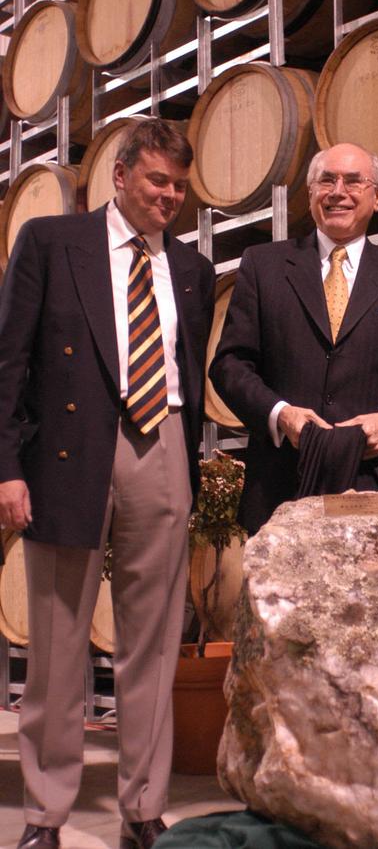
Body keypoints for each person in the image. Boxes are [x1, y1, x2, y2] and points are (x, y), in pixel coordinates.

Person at [0, 119, 216, 849]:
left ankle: (145, 805)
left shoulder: (190, 267)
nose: (170, 197)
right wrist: (5, 466)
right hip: (68, 448)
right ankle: (45, 813)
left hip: (164, 442)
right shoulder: (52, 244)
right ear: (120, 176)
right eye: (158, 181)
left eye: (180, 187)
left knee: (153, 641)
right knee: (59, 642)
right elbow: (8, 366)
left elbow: (187, 362)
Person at [210, 142, 378, 535]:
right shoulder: (264, 265)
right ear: (310, 194)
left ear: (377, 197)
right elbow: (229, 366)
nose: (338, 191)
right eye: (326, 180)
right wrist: (281, 415)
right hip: (279, 486)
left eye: (354, 181)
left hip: (375, 484)